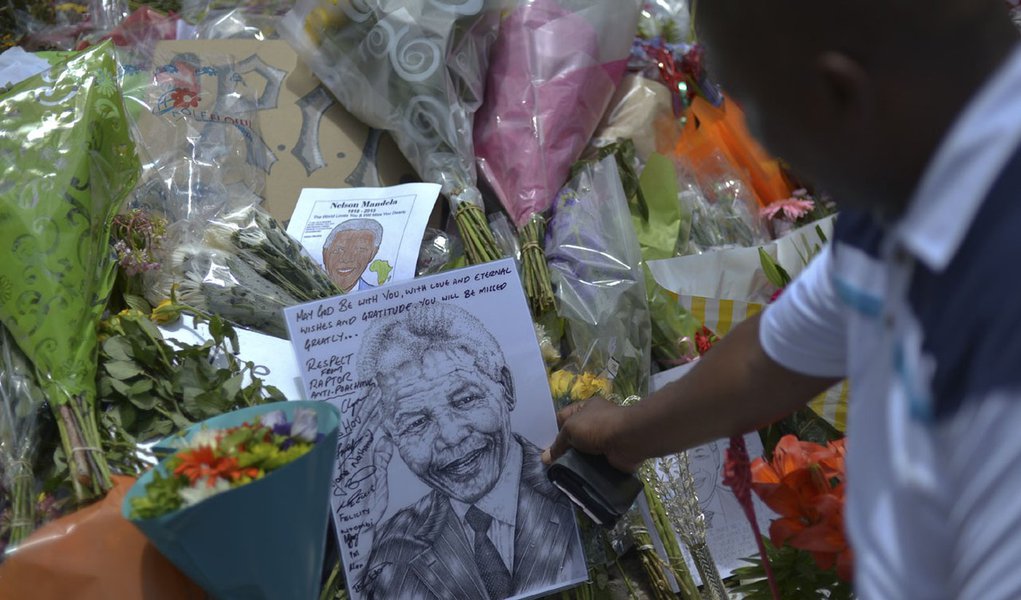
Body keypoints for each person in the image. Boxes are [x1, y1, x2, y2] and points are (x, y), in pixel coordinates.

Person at [546, 1, 1021, 597]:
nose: (762, 147)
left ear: (839, 93)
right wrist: (622, 435)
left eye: (760, 112)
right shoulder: (916, 180)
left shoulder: (999, 323)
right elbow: (772, 356)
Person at [354, 302, 585, 600]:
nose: (451, 436)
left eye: (465, 400)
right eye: (417, 423)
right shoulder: (392, 545)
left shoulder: (575, 486)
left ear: (505, 387)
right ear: (391, 438)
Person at [322, 218, 383, 292]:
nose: (346, 259)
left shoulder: (378, 296)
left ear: (372, 254)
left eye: (360, 250)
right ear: (325, 253)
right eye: (338, 250)